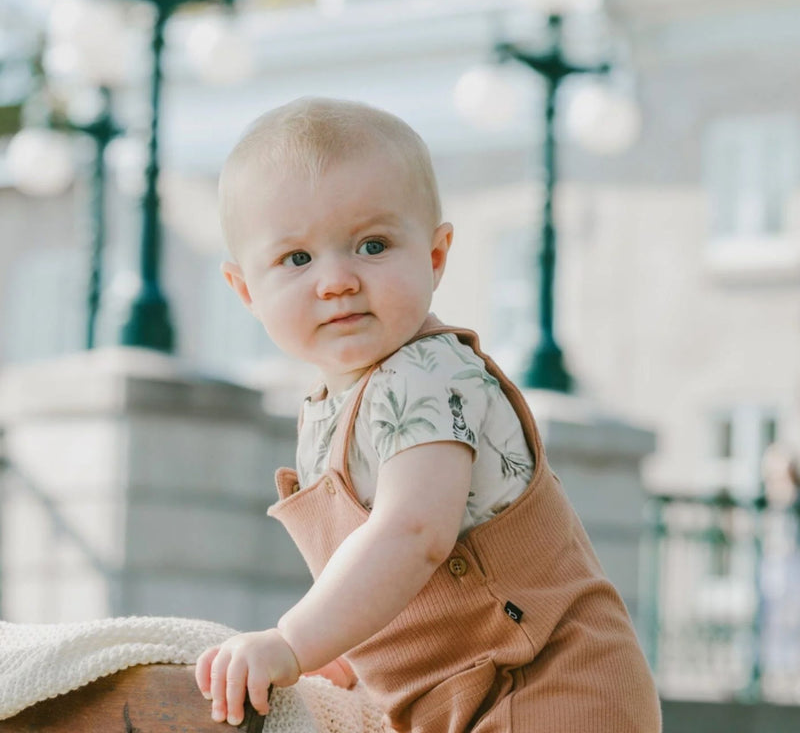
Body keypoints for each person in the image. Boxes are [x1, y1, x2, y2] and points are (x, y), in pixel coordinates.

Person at [194, 97, 661, 732]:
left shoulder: (428, 374)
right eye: (297, 259)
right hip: (453, 697)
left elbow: (413, 534)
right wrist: (347, 654)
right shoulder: (324, 416)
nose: (336, 281)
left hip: (547, 685)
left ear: (436, 256)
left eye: (372, 244)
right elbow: (384, 585)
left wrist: (294, 640)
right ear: (247, 289)